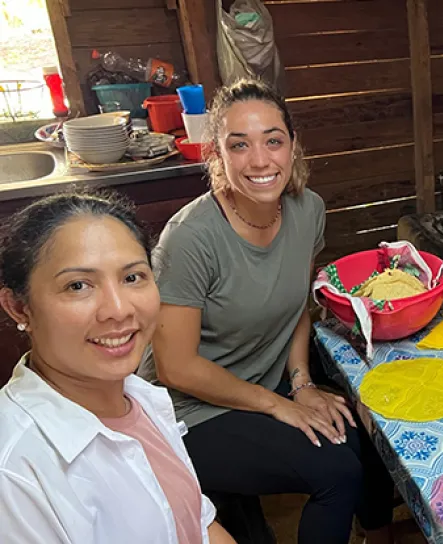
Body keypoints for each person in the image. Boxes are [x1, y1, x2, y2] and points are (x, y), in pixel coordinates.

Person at [138, 79, 395, 544]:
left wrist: (301, 383)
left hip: (267, 378)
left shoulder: (307, 210)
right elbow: (175, 368)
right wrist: (279, 405)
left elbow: (297, 302)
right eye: (239, 145)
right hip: (192, 411)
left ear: (293, 146)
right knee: (335, 471)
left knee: (361, 430)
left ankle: (375, 532)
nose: (259, 161)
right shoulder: (191, 239)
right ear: (216, 154)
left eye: (272, 141)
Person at [0, 191, 234, 543]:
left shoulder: (141, 398)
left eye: (132, 278)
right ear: (19, 308)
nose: (118, 309)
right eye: (78, 285)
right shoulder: (16, 470)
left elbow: (197, 522)